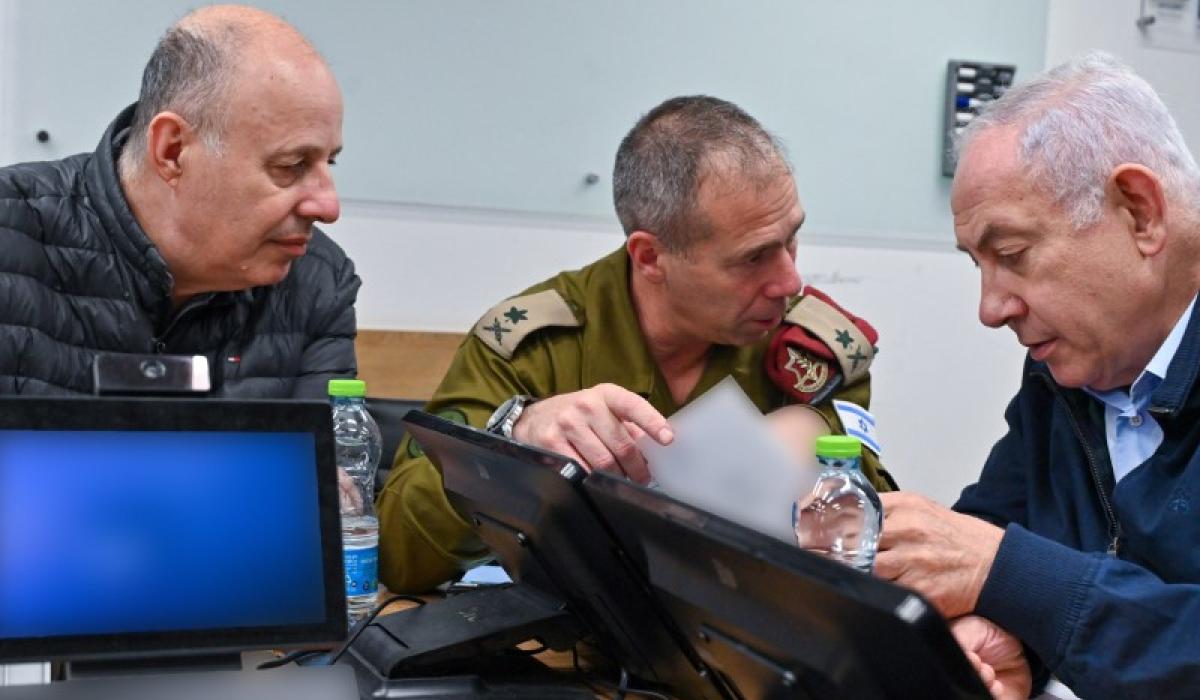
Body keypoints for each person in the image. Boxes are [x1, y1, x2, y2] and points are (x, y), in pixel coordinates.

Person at [378, 95, 894, 592]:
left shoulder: (811, 354)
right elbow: (398, 554)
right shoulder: (534, 347)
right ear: (649, 257)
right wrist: (515, 438)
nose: (789, 281)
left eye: (791, 239)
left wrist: (825, 457)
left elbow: (892, 551)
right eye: (752, 258)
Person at [875, 52, 1200, 699]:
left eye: (1013, 255)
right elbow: (984, 532)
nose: (990, 309)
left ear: (1139, 212)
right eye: (979, 265)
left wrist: (1014, 582)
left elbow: (1000, 563)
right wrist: (981, 630)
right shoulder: (1068, 371)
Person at [0, 5, 358, 397]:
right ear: (172, 152)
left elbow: (320, 456)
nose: (328, 206)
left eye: (330, 161)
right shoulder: (10, 233)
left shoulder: (319, 281)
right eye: (291, 165)